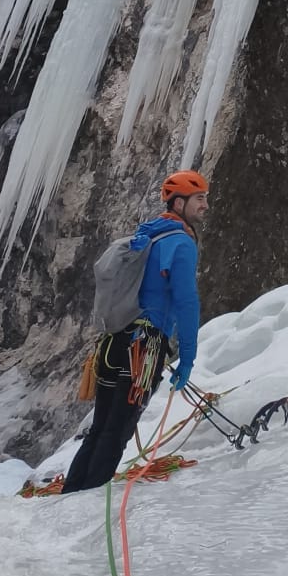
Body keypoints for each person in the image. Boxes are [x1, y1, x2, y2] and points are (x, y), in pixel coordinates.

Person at [61, 169, 208, 493]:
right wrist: (187, 358)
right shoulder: (181, 243)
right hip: (144, 349)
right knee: (117, 431)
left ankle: (69, 494)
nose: (205, 205)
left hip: (113, 344)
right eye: (199, 198)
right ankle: (86, 501)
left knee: (101, 428)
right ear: (179, 203)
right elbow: (186, 302)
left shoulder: (147, 237)